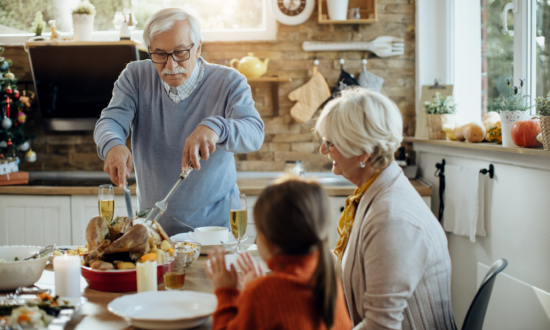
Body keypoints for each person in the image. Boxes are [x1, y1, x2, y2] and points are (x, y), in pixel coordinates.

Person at [94, 8, 264, 236]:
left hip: (215, 233)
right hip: (152, 233)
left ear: (198, 47)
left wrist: (217, 127)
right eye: (160, 54)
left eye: (180, 52)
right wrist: (113, 145)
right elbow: (110, 120)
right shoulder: (135, 77)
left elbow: (254, 133)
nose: (171, 65)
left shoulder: (230, 82)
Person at [315, 88, 456, 329]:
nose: (323, 150)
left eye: (330, 143)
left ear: (363, 152)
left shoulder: (391, 219)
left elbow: (381, 325)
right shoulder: (378, 189)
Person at [206, 177, 352, 330]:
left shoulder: (260, 294)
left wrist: (226, 292)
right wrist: (255, 288)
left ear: (266, 240)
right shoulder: (330, 285)